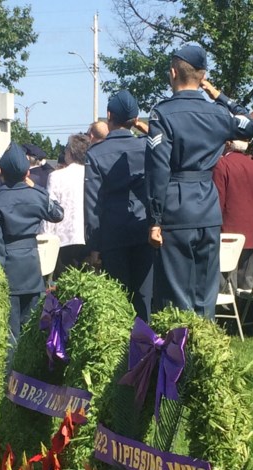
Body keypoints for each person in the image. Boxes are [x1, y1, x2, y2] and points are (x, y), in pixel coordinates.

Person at [145, 44, 253, 318]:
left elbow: (158, 169)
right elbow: (250, 124)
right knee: (206, 292)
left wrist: (155, 218)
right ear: (202, 77)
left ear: (173, 73)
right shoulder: (219, 114)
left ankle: (181, 353)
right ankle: (204, 350)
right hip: (208, 207)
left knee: (177, 294)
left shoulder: (162, 114)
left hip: (176, 207)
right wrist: (220, 96)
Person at [0, 142, 65, 346]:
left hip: (8, 269)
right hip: (32, 268)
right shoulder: (36, 196)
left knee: (10, 334)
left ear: (1, 172)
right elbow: (57, 213)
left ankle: (10, 376)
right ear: (27, 172)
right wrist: (36, 187)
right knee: (32, 331)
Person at [84, 90, 154, 321]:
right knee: (145, 298)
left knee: (117, 299)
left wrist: (94, 246)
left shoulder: (96, 153)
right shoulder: (147, 147)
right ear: (135, 119)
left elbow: (93, 203)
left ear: (108, 115)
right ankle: (146, 348)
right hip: (144, 230)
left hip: (112, 235)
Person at [213, 138, 253, 291]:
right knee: (248, 287)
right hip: (252, 233)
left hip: (227, 234)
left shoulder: (221, 164)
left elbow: (218, 199)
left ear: (228, 144)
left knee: (226, 288)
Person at [43, 133, 91, 280]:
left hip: (64, 239)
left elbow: (50, 208)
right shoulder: (92, 173)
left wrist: (46, 238)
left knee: (64, 288)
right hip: (89, 237)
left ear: (70, 153)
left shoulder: (57, 176)